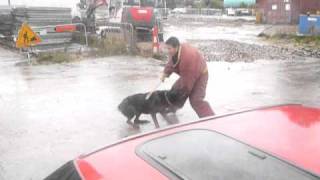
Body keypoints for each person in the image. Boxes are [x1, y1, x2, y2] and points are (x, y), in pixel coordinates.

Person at [161, 37, 215, 118]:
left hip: (200, 75)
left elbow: (187, 85)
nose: (168, 51)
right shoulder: (177, 50)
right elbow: (172, 61)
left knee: (195, 100)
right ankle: (172, 108)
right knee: (175, 88)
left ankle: (210, 118)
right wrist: (165, 72)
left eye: (169, 48)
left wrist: (181, 95)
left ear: (176, 47)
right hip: (188, 73)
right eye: (167, 48)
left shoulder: (187, 58)